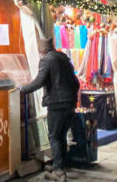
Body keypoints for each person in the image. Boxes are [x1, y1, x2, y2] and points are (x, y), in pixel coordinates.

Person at [21, 37, 80, 181]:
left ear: (43, 51)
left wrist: (23, 89)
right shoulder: (64, 59)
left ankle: (59, 172)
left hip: (57, 104)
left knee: (54, 136)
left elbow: (39, 81)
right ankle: (59, 165)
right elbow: (76, 82)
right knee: (61, 136)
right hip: (70, 103)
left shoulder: (47, 60)